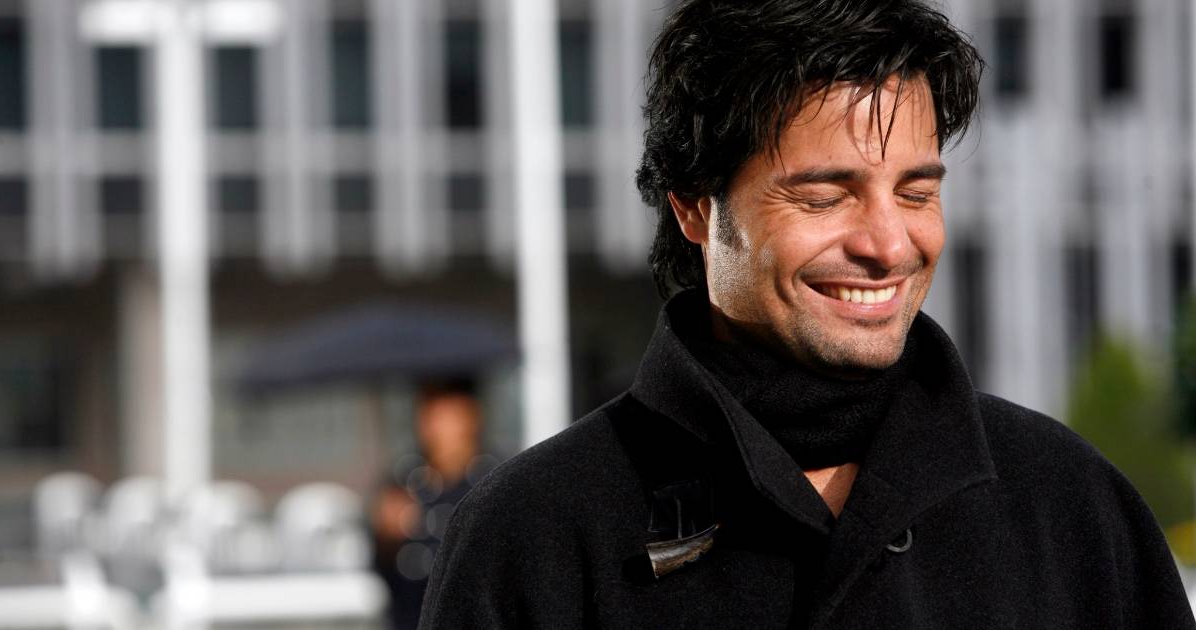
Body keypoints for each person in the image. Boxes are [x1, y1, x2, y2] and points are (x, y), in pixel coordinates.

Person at [420, 1, 1196, 627]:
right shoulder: (534, 534)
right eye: (825, 197)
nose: (888, 244)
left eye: (917, 193)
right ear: (695, 206)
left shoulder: (1071, 507)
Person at [369, 377, 496, 629]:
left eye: (446, 416)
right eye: (428, 416)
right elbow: (383, 566)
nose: (435, 428)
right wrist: (385, 536)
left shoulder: (494, 481)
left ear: (471, 416)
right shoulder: (404, 480)